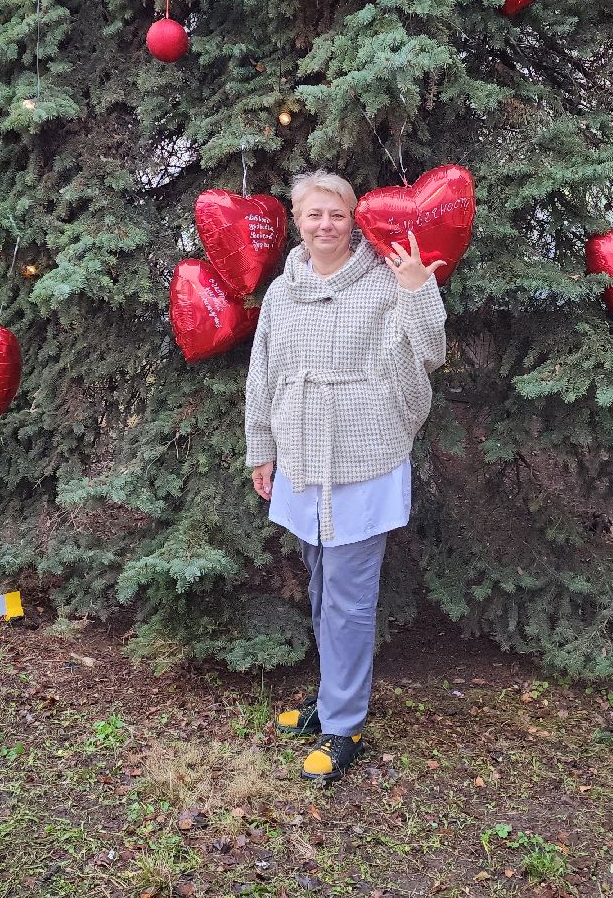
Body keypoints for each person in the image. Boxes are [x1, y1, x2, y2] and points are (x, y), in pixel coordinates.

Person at [245, 170, 448, 782]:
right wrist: (262, 445)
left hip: (364, 453)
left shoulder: (387, 277)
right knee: (317, 585)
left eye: (336, 214)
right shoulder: (284, 291)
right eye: (313, 215)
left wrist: (417, 291)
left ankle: (343, 724)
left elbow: (431, 351)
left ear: (353, 218)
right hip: (302, 451)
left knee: (349, 597)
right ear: (296, 220)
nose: (325, 225)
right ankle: (330, 698)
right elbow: (264, 370)